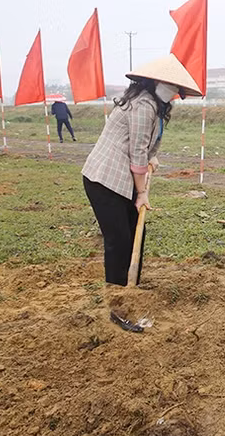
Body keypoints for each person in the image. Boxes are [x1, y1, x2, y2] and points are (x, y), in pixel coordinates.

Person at [82, 54, 202, 330]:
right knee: (118, 241)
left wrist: (152, 157)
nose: (173, 94)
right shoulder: (143, 105)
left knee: (137, 232)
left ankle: (130, 285)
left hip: (123, 177)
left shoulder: (158, 108)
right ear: (154, 82)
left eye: (176, 90)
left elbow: (147, 145)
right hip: (105, 179)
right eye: (170, 87)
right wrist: (142, 193)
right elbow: (136, 152)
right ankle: (117, 306)